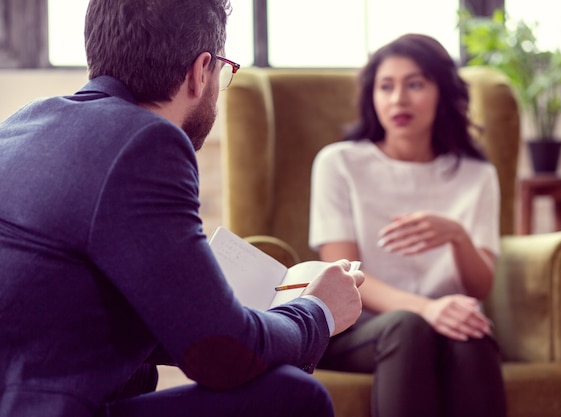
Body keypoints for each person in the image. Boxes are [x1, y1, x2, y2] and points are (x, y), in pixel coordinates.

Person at [0, 1, 364, 416]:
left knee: (138, 373)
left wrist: (217, 309)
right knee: (294, 394)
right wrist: (318, 311)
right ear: (200, 70)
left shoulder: (22, 123)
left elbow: (64, 316)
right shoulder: (147, 142)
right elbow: (222, 356)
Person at [309, 34, 507, 417]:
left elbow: (480, 286)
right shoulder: (339, 164)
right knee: (407, 326)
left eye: (415, 84)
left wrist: (457, 236)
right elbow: (344, 276)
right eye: (386, 86)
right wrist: (427, 310)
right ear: (372, 97)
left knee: (474, 334)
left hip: (445, 326)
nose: (398, 99)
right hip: (361, 330)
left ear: (442, 93)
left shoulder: (477, 176)